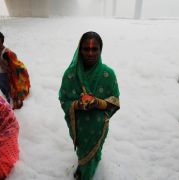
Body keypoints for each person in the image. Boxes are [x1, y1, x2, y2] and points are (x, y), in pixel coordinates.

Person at [59, 31, 120, 180]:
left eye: (95, 49)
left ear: (100, 50)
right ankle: (84, 163)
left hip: (98, 125)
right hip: (80, 125)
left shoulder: (108, 74)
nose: (90, 53)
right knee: (82, 150)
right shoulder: (70, 74)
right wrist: (77, 105)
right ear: (80, 50)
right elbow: (64, 99)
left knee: (95, 150)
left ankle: (87, 172)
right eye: (86, 49)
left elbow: (115, 101)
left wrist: (98, 103)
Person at [0, 31, 30, 109]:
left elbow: (8, 69)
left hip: (7, 77)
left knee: (10, 96)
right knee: (6, 95)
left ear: (0, 40)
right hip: (0, 76)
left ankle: (13, 112)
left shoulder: (7, 53)